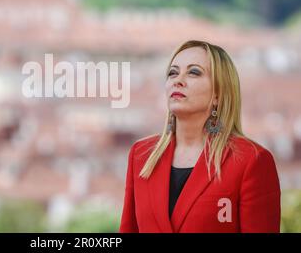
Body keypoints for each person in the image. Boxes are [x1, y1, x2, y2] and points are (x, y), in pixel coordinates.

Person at [119, 40, 281, 233]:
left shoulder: (251, 161)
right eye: (173, 72)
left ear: (218, 94)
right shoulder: (141, 155)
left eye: (193, 72)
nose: (178, 80)